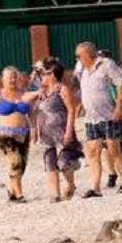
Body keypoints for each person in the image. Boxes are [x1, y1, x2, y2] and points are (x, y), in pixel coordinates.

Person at [73, 41, 122, 196]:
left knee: (114, 149)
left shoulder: (106, 64)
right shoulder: (83, 70)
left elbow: (121, 83)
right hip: (91, 118)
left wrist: (119, 106)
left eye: (79, 56)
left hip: (108, 116)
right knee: (93, 152)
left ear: (88, 54)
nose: (77, 59)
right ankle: (95, 187)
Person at [30, 59, 81, 201]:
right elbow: (35, 111)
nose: (42, 76)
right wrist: (34, 130)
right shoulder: (42, 91)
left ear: (52, 75)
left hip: (61, 130)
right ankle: (55, 194)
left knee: (64, 163)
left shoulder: (62, 89)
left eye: (45, 74)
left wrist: (69, 131)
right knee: (50, 162)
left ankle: (71, 184)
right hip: (46, 133)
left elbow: (71, 110)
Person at [0, 66, 33, 203]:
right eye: (9, 77)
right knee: (15, 162)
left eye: (14, 76)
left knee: (22, 165)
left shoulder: (23, 93)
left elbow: (32, 113)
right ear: (3, 79)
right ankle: (19, 195)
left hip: (24, 133)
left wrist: (35, 129)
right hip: (5, 134)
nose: (12, 79)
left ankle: (11, 191)